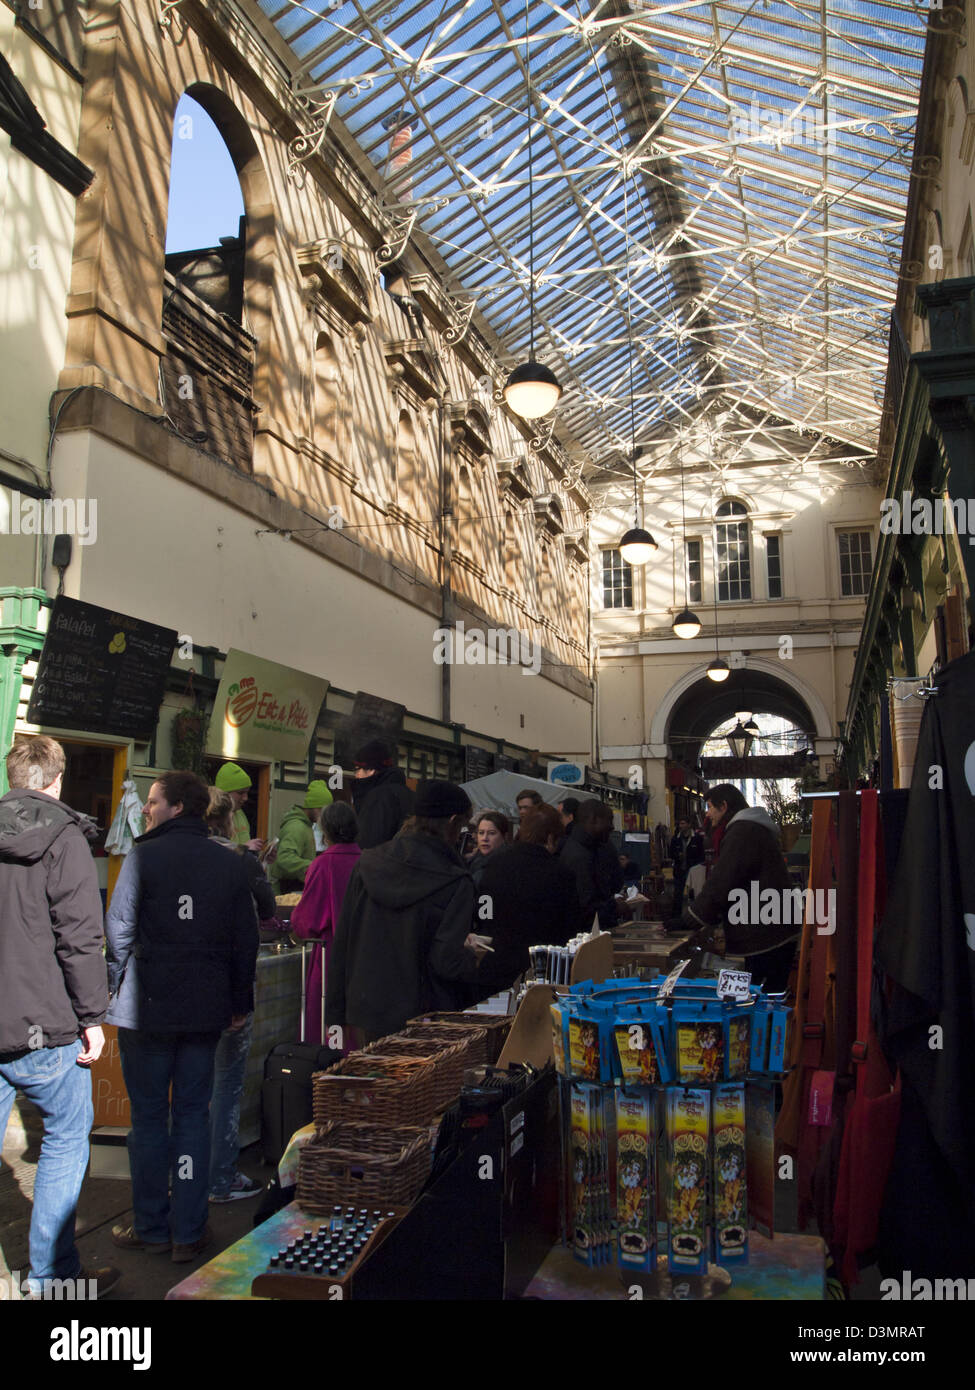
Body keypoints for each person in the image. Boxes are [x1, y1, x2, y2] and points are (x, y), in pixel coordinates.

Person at [106, 771, 258, 1262]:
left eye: (153, 802)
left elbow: (118, 932)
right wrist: (239, 1002)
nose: (147, 809)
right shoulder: (229, 863)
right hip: (204, 1010)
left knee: (149, 1120)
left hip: (146, 1009)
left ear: (176, 808)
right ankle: (187, 1232)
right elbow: (246, 942)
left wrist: (106, 993)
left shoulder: (144, 855)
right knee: (193, 1116)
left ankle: (152, 1226)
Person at [0, 736, 119, 1299]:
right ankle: (52, 1280)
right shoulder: (66, 837)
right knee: (67, 1138)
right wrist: (93, 1014)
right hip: (44, 1022)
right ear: (57, 780)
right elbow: (80, 935)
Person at [326, 780, 485, 1043]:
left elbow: (343, 941)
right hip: (424, 1015)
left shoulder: (367, 863)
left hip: (367, 1010)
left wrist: (335, 1015)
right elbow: (445, 961)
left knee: (375, 1081)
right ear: (453, 821)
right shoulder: (456, 882)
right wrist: (472, 958)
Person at [204, 788, 276, 1204]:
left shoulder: (169, 854)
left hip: (179, 994)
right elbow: (262, 913)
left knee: (191, 1086)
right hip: (227, 987)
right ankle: (219, 1178)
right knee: (225, 1082)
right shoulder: (237, 858)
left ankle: (185, 1173)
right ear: (228, 818)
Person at [667, 784, 797, 991]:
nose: (708, 814)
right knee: (767, 997)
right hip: (772, 928)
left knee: (761, 999)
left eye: (710, 807)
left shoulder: (742, 832)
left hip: (766, 933)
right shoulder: (750, 828)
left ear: (724, 806)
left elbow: (723, 881)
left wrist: (689, 918)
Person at [474, 803, 586, 997]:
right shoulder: (561, 874)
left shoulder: (493, 865)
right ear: (551, 838)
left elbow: (484, 909)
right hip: (543, 972)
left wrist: (489, 929)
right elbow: (570, 928)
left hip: (496, 965)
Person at [290, 801, 362, 1044]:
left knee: (327, 1029)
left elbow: (306, 922)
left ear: (326, 831)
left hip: (330, 956)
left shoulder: (322, 865)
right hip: (365, 957)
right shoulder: (367, 861)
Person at [559, 798, 623, 930]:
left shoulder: (592, 847)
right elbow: (586, 909)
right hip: (588, 935)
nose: (612, 827)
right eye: (609, 820)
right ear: (594, 820)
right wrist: (614, 907)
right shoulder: (580, 855)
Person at [269, 781, 332, 894]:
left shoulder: (305, 826)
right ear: (314, 807)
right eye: (322, 812)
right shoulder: (296, 827)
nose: (324, 817)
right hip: (287, 889)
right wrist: (315, 867)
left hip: (293, 886)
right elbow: (285, 857)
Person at [351, 739, 414, 849]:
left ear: (371, 769)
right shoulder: (410, 795)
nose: (356, 775)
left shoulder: (377, 798)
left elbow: (369, 844)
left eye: (357, 769)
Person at [214, 762, 262, 853]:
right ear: (224, 793)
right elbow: (214, 853)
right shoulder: (213, 817)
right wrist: (244, 848)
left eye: (247, 792)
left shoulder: (240, 813)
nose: (245, 798)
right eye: (240, 793)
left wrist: (263, 857)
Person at [465, 809, 511, 885]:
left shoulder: (506, 865)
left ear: (505, 836)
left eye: (492, 833)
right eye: (481, 833)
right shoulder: (475, 860)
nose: (484, 838)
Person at [669, 816, 704, 912]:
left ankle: (695, 914)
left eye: (683, 823)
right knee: (678, 894)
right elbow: (670, 853)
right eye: (680, 824)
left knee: (693, 894)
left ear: (689, 825)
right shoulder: (676, 839)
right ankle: (676, 916)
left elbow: (701, 855)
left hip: (692, 870)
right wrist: (677, 855)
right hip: (679, 870)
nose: (681, 826)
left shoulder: (697, 838)